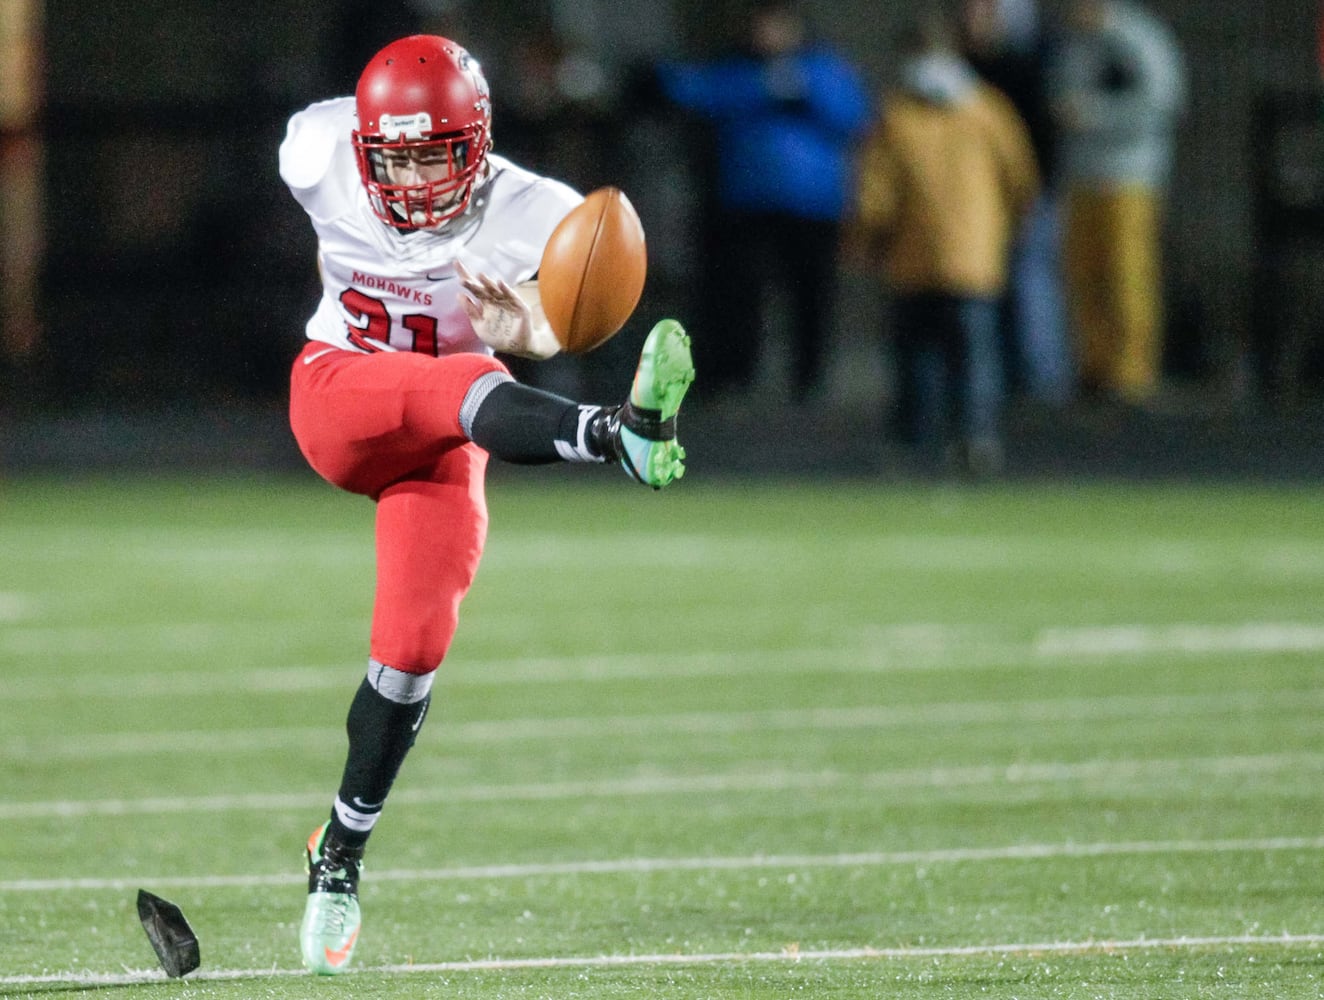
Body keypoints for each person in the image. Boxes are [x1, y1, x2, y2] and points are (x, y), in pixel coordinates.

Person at [277, 34, 695, 975]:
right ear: (366, 145)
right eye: (401, 156)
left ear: (480, 140)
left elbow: (550, 323)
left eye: (440, 154)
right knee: (459, 375)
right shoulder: (317, 150)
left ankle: (337, 854)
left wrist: (532, 329)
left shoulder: (536, 211)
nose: (420, 178)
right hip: (340, 394)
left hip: (450, 430)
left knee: (412, 653)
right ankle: (616, 434)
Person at [653, 0, 872, 402]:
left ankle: (809, 379)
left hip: (812, 207)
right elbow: (696, 92)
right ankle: (735, 377)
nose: (768, 35)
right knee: (739, 299)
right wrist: (760, 88)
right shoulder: (737, 69)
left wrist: (804, 90)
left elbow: (854, 116)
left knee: (811, 297)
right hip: (747, 203)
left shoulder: (822, 67)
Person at [850, 11, 1039, 476]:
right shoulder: (989, 110)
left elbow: (875, 194)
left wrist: (865, 242)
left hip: (912, 259)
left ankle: (916, 443)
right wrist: (1006, 231)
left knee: (918, 359)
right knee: (976, 357)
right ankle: (977, 438)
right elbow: (1021, 180)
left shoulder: (897, 116)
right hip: (975, 257)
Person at [1047, 0, 1185, 406]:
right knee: (1083, 273)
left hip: (1129, 174)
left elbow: (1163, 101)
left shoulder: (1138, 38)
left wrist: (1095, 115)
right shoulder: (1073, 44)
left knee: (1127, 273)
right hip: (1082, 174)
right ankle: (1094, 366)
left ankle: (1131, 373)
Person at [959, 0, 1073, 407]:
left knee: (1032, 285)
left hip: (1025, 196)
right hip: (975, 202)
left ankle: (1045, 385)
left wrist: (1034, 194)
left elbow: (1040, 141)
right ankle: (1004, 384)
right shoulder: (959, 70)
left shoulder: (1026, 69)